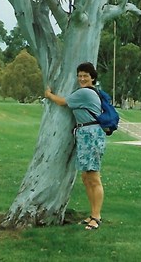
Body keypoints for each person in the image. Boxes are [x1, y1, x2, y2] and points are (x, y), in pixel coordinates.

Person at [44, 62, 106, 230]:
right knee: (86, 178)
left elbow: (62, 102)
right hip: (85, 134)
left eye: (85, 75)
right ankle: (92, 214)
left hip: (91, 135)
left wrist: (49, 94)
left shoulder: (85, 92)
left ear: (92, 77)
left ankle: (97, 217)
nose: (82, 78)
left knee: (93, 177)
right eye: (79, 76)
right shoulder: (88, 92)